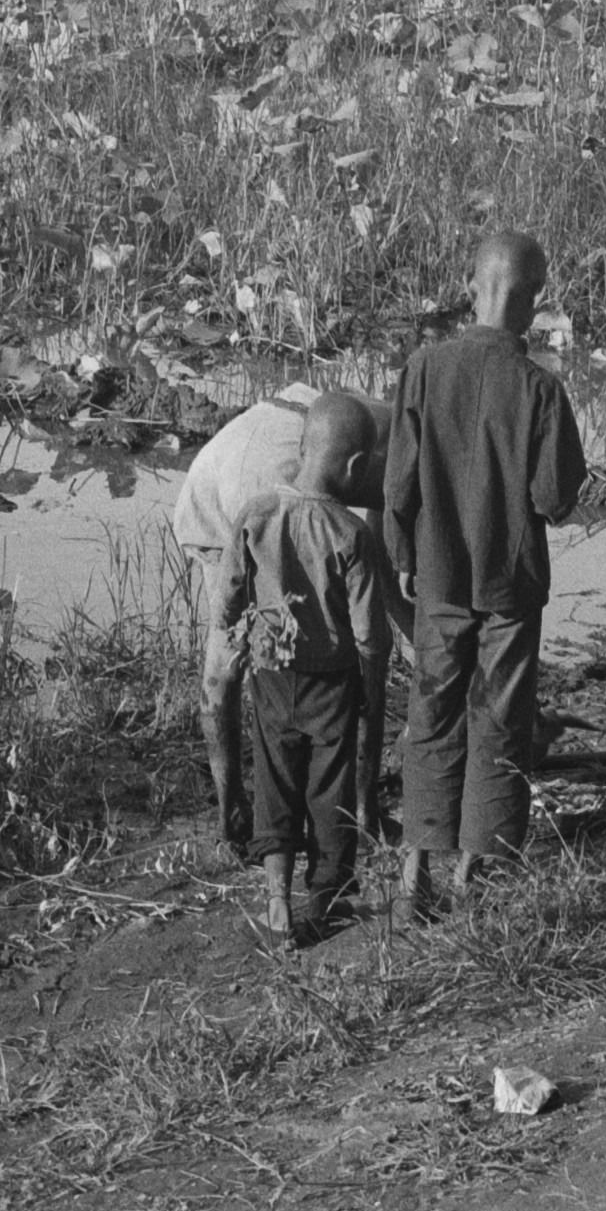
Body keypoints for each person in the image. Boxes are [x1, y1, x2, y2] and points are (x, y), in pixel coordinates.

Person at [384, 228, 589, 910]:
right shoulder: (539, 388)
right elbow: (552, 499)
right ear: (533, 301)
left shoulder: (423, 368)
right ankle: (475, 869)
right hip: (509, 579)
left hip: (437, 570)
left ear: (471, 286)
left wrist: (403, 554)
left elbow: (399, 483)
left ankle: (414, 867)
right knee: (500, 711)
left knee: (431, 704)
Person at [169, 384, 388, 850]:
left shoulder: (386, 420)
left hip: (223, 457)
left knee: (223, 653)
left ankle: (232, 807)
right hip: (271, 466)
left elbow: (384, 563)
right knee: (303, 659)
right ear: (357, 465)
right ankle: (352, 808)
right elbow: (380, 608)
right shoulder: (412, 453)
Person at [221, 395, 399, 943]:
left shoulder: (254, 514)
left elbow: (229, 600)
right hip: (332, 682)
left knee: (276, 780)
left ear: (302, 448)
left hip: (271, 675)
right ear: (355, 468)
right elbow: (371, 634)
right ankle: (327, 901)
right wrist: (372, 691)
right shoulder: (351, 534)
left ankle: (276, 896)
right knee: (330, 790)